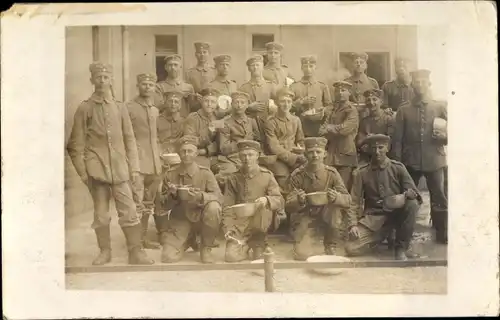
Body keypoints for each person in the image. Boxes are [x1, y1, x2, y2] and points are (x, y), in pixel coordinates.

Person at [66, 62, 154, 265]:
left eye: (106, 78)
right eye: (98, 78)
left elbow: (130, 140)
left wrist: (134, 169)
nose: (102, 81)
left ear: (111, 80)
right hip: (96, 171)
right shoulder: (85, 108)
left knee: (129, 211)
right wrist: (84, 173)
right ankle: (105, 252)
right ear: (92, 80)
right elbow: (74, 145)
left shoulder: (120, 107)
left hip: (120, 169)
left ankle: (135, 252)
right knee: (101, 215)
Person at [392, 69, 448, 244]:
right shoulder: (404, 110)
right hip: (411, 161)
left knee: (438, 198)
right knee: (407, 198)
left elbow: (455, 131)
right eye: (417, 82)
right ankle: (402, 236)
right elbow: (397, 140)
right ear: (412, 85)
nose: (420, 85)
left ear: (429, 84)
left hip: (434, 159)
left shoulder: (439, 107)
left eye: (424, 82)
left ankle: (442, 235)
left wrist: (445, 137)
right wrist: (398, 164)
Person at [345, 134, 422, 261]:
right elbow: (353, 201)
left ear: (387, 148)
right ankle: (382, 236)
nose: (377, 152)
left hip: (397, 215)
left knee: (412, 204)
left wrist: (408, 194)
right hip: (375, 218)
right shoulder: (361, 172)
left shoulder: (398, 168)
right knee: (350, 248)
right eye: (373, 148)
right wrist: (352, 224)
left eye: (381, 147)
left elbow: (416, 195)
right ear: (369, 149)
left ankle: (401, 248)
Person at [156, 135, 222, 263]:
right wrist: (173, 195)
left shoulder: (205, 173)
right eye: (183, 151)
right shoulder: (170, 174)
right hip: (180, 219)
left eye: (190, 151)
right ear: (179, 153)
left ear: (196, 153)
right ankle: (188, 239)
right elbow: (163, 206)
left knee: (214, 207)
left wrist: (200, 196)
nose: (186, 154)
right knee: (168, 257)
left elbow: (219, 197)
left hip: (201, 218)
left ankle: (206, 246)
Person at [286, 137, 352, 260]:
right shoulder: (298, 175)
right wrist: (299, 200)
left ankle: (330, 244)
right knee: (302, 255)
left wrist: (336, 197)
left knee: (335, 210)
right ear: (305, 154)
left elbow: (348, 199)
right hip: (305, 215)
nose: (315, 155)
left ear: (325, 154)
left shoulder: (332, 173)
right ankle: (305, 240)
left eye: (318, 152)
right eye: (311, 152)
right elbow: (288, 205)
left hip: (326, 213)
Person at [222, 140, 284, 262]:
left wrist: (267, 199)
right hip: (240, 223)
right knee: (231, 257)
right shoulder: (233, 178)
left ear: (257, 156)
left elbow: (279, 199)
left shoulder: (267, 175)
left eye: (250, 155)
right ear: (239, 157)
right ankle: (245, 244)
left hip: (260, 221)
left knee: (263, 208)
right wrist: (228, 228)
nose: (247, 158)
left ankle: (258, 243)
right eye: (243, 155)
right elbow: (227, 206)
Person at [126, 73, 163, 250]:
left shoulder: (155, 110)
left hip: (155, 163)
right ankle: (134, 244)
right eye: (144, 84)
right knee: (136, 203)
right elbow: (126, 137)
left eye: (150, 84)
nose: (147, 87)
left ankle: (143, 239)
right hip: (138, 163)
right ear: (138, 86)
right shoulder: (129, 108)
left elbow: (157, 138)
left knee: (149, 203)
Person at [263, 87, 307, 194]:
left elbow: (300, 140)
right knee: (284, 181)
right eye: (282, 101)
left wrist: (302, 150)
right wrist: (294, 157)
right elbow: (274, 147)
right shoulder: (271, 122)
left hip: (294, 156)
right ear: (277, 102)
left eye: (289, 102)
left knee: (306, 176)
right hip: (278, 159)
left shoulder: (296, 120)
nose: (286, 105)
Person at [319, 81, 359, 190]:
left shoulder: (352, 110)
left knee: (343, 188)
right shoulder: (333, 109)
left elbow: (346, 129)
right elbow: (323, 128)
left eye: (343, 90)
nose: (340, 93)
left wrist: (329, 128)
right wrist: (326, 128)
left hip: (345, 154)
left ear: (349, 93)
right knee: (329, 186)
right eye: (337, 91)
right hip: (331, 153)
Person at [216, 91, 260, 188]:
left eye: (242, 102)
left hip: (250, 157)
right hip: (231, 159)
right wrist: (240, 143)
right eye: (236, 102)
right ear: (231, 104)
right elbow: (224, 149)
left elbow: (258, 141)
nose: (239, 106)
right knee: (231, 178)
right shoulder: (225, 123)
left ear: (247, 105)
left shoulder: (251, 122)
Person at [290, 55, 333, 137]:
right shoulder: (294, 86)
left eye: (311, 66)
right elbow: (288, 107)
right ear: (302, 68)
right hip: (300, 126)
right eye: (305, 66)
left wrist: (324, 110)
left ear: (315, 67)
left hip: (318, 126)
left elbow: (330, 106)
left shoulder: (322, 86)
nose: (308, 69)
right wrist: (301, 102)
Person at [239, 54, 278, 142]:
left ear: (262, 67)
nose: (255, 68)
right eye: (252, 65)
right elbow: (237, 107)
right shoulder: (243, 88)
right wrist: (248, 108)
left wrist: (274, 108)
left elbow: (280, 103)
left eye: (258, 65)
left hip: (268, 125)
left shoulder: (271, 86)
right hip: (250, 127)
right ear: (249, 69)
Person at [183, 87, 220, 169]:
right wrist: (208, 133)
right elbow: (190, 141)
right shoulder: (192, 118)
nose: (209, 104)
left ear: (217, 104)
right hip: (197, 156)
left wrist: (206, 150)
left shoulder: (218, 119)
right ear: (201, 102)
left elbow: (220, 142)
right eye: (206, 101)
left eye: (213, 102)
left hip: (214, 156)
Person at [356, 88, 395, 165]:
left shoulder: (388, 118)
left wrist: (369, 139)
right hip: (368, 158)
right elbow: (359, 143)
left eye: (374, 99)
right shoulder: (364, 121)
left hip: (385, 157)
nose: (371, 102)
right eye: (368, 100)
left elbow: (390, 141)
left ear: (381, 102)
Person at [344, 52, 379, 119]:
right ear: (352, 65)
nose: (359, 64)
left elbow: (377, 102)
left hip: (368, 117)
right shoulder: (346, 82)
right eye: (356, 62)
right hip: (351, 117)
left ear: (366, 65)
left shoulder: (372, 82)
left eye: (361, 62)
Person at [157, 90, 185, 154]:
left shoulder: (183, 121)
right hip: (160, 152)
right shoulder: (157, 120)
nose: (173, 104)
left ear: (180, 106)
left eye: (176, 102)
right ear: (165, 103)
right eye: (170, 101)